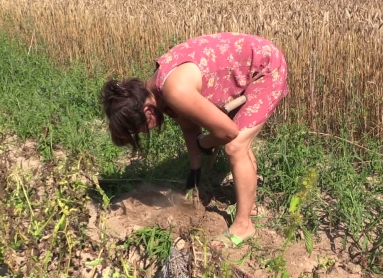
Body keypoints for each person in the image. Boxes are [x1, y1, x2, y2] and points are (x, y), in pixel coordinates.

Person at [100, 32, 289, 249]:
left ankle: (244, 224)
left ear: (146, 112)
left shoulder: (174, 90)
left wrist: (205, 144)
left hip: (264, 66)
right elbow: (190, 130)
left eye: (139, 129)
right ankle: (250, 205)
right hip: (245, 63)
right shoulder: (157, 91)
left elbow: (229, 132)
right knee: (238, 144)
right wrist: (194, 174)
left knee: (236, 146)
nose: (142, 133)